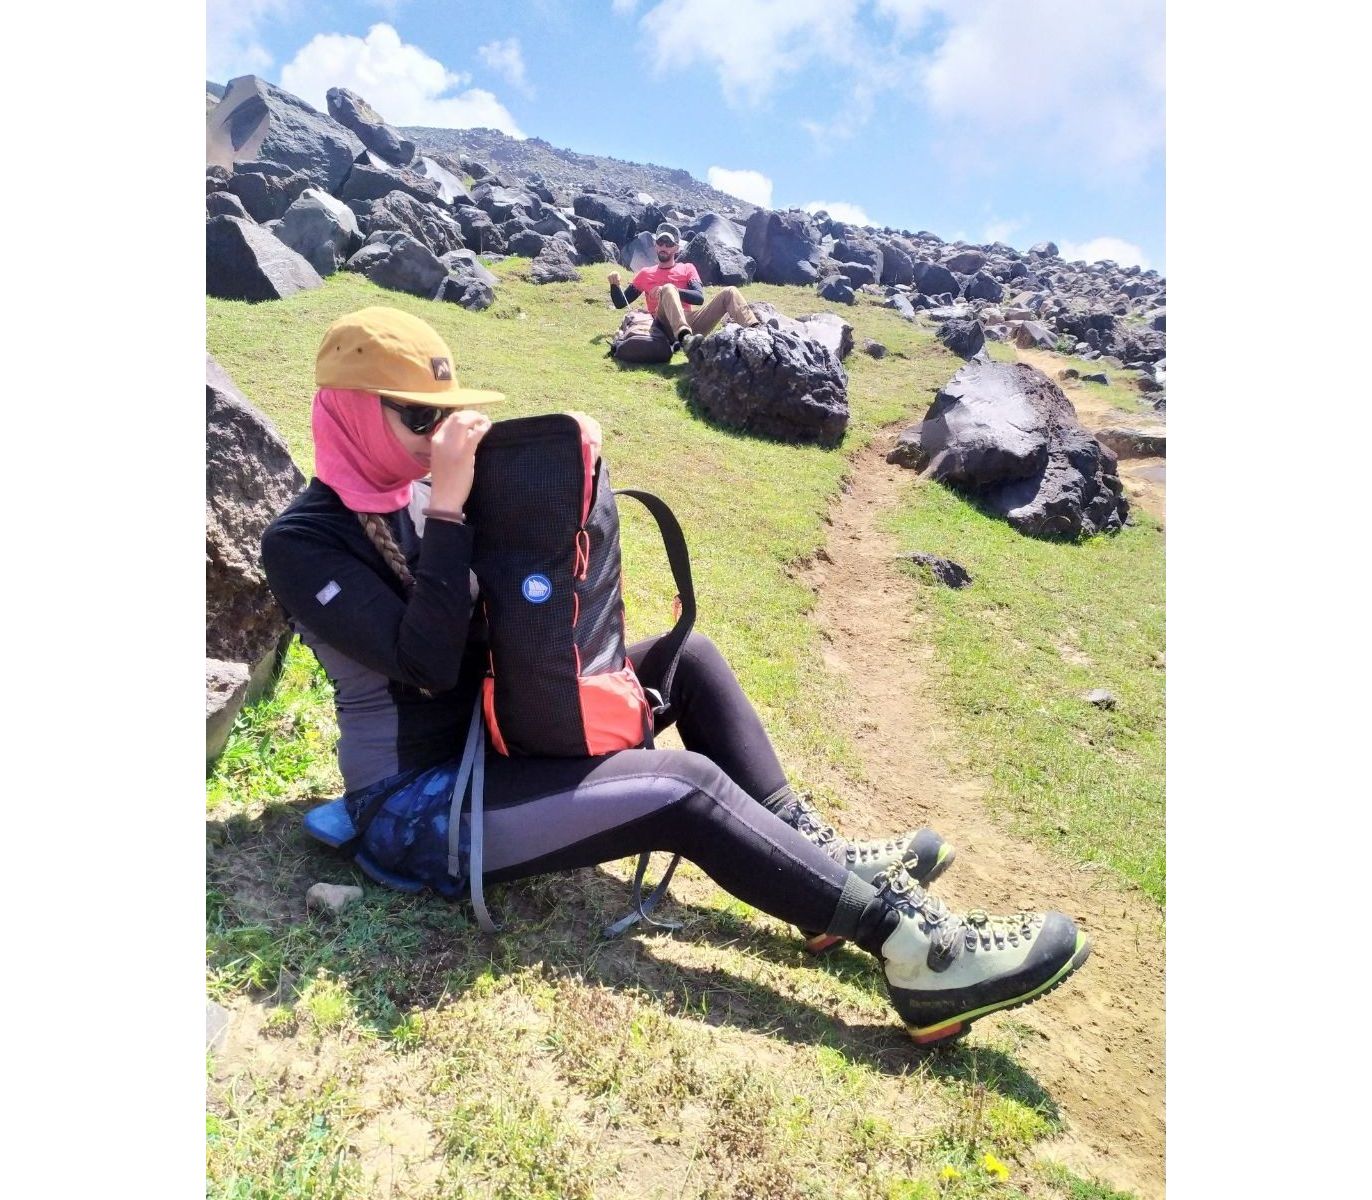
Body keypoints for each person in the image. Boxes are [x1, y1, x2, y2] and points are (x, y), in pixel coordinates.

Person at [261, 306, 1091, 1046]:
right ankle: (915, 954)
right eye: (419, 416)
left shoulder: (420, 491)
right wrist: (449, 509)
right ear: (350, 411)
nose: (439, 435)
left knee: (685, 659)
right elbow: (429, 663)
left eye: (449, 415)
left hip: (501, 731)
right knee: (682, 790)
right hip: (416, 805)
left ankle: (815, 854)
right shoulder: (304, 541)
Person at [608, 223, 761, 356]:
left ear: (676, 248)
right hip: (662, 325)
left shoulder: (687, 268)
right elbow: (621, 303)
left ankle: (758, 332)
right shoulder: (645, 274)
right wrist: (614, 284)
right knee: (668, 288)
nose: (664, 247)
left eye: (669, 244)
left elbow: (699, 298)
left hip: (691, 320)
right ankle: (685, 338)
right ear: (655, 245)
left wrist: (671, 291)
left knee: (730, 292)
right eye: (660, 242)